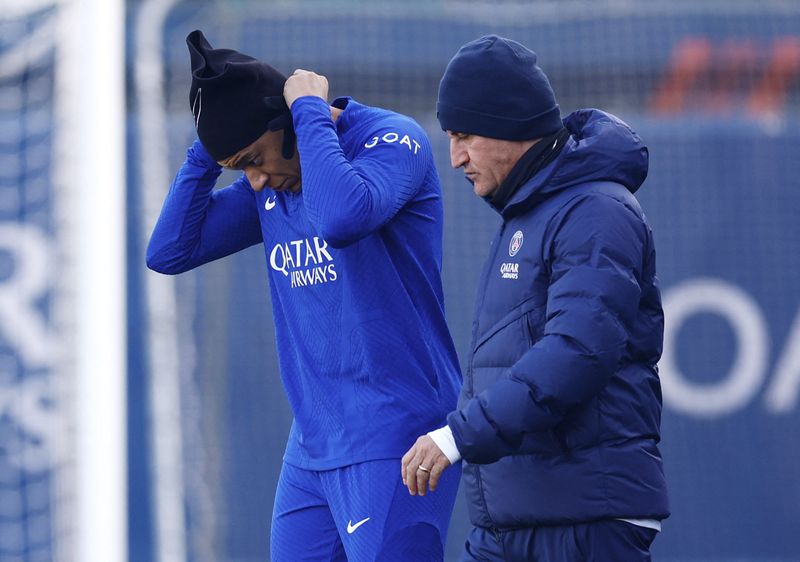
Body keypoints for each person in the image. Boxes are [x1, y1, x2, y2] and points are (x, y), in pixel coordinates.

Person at [146, 30, 462, 561]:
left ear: (288, 123)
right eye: (239, 168)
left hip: (398, 440)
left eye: (254, 158)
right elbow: (170, 250)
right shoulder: (275, 181)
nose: (256, 181)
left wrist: (310, 110)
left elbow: (342, 216)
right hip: (312, 449)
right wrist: (211, 145)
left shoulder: (391, 140)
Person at [401, 35, 669, 561]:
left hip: (582, 521)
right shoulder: (526, 214)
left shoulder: (596, 210)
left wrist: (459, 437)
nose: (454, 159)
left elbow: (577, 351)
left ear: (510, 127)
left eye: (464, 136)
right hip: (512, 522)